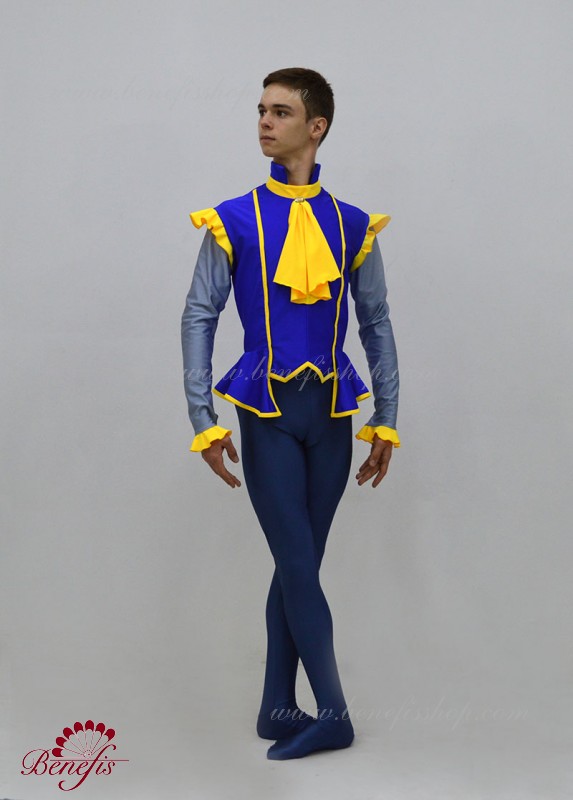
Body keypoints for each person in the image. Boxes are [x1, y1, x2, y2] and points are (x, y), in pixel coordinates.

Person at [181, 67, 400, 760]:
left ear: (316, 126)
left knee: (297, 565)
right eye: (261, 110)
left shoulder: (353, 224)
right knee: (300, 565)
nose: (264, 123)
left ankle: (276, 707)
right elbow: (198, 315)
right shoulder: (235, 217)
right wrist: (203, 420)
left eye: (280, 112)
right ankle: (333, 713)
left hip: (332, 416)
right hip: (268, 412)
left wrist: (386, 418)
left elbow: (376, 322)